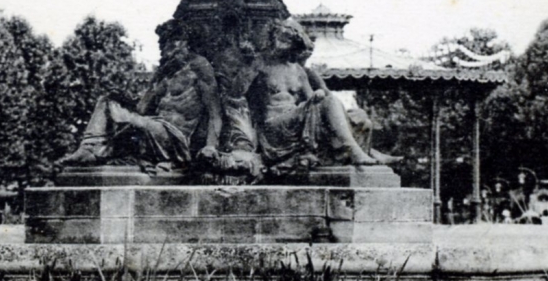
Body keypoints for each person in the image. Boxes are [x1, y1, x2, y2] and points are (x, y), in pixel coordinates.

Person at [61, 23, 222, 170]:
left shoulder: (199, 66)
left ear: (183, 42)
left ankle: (99, 153)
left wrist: (211, 146)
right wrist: (123, 98)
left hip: (175, 138)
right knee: (106, 100)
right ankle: (88, 148)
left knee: (136, 125)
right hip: (152, 127)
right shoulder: (163, 71)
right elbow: (141, 108)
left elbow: (215, 113)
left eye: (168, 42)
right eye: (161, 43)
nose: (162, 47)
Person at [250, 18, 379, 172]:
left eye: (290, 41)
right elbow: (237, 95)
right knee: (330, 101)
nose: (284, 45)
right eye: (282, 39)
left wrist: (317, 93)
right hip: (274, 125)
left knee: (360, 116)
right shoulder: (260, 65)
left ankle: (364, 151)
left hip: (297, 120)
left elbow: (313, 99)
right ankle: (353, 150)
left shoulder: (298, 71)